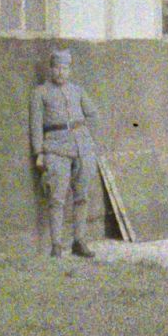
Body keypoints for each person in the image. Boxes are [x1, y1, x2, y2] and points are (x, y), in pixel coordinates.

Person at [31, 49, 102, 258]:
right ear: (51, 69)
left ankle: (79, 241)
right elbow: (36, 125)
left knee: (82, 196)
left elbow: (93, 114)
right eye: (57, 68)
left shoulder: (77, 91)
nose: (61, 72)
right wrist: (39, 152)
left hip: (82, 148)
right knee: (57, 198)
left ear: (69, 70)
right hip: (55, 149)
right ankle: (56, 245)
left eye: (65, 68)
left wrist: (89, 140)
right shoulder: (40, 93)